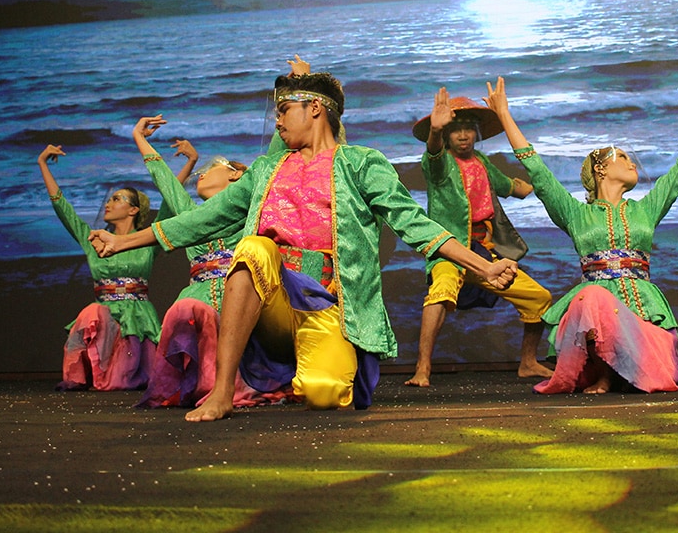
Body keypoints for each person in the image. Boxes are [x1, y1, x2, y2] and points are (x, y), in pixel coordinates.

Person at [88, 60, 518, 419]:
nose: (277, 120)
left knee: (325, 394)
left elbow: (414, 223)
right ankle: (222, 392)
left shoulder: (361, 164)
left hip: (328, 303)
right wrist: (121, 242)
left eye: (283, 110)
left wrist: (483, 266)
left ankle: (310, 368)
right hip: (273, 301)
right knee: (254, 248)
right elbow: (202, 220)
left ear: (314, 108)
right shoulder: (265, 170)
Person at [485, 76, 678, 394]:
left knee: (653, 366)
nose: (631, 162)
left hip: (641, 318)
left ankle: (627, 369)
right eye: (622, 157)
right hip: (594, 320)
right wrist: (504, 114)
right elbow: (537, 171)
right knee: (593, 295)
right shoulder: (575, 214)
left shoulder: (646, 209)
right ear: (600, 169)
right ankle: (605, 373)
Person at [405, 88, 554, 387]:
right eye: (455, 129)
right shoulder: (441, 164)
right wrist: (435, 131)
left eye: (468, 129)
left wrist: (539, 183)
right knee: (441, 291)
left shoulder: (481, 161)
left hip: (486, 253)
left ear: (476, 133)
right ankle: (422, 368)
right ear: (447, 135)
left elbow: (508, 186)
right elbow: (433, 155)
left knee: (539, 298)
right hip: (451, 251)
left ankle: (528, 363)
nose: (463, 135)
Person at [131, 115, 281, 409]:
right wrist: (139, 138)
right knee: (186, 309)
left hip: (239, 294)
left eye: (213, 168)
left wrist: (283, 111)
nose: (202, 175)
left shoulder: (250, 208)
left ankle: (230, 386)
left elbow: (273, 160)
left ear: (236, 175)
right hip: (199, 293)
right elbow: (166, 182)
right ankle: (203, 385)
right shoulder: (191, 216)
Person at [36, 144, 160, 391]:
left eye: (117, 199)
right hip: (103, 322)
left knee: (123, 381)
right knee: (92, 312)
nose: (108, 204)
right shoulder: (93, 239)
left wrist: (189, 162)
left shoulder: (146, 239)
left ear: (133, 210)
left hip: (137, 319)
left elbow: (168, 208)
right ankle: (91, 370)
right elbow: (63, 209)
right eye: (109, 199)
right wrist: (42, 164)